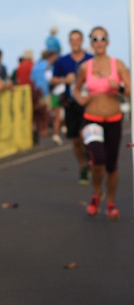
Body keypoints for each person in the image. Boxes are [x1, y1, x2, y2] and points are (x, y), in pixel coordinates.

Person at [73, 26, 130, 218]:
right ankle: (97, 193)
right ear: (91, 43)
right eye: (95, 39)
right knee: (98, 160)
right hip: (92, 118)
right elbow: (76, 88)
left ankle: (111, 201)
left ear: (108, 42)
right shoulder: (85, 67)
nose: (99, 42)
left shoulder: (118, 65)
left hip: (113, 119)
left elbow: (129, 91)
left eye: (102, 38)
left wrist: (120, 88)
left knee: (112, 165)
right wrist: (80, 99)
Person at [50, 30, 93, 183]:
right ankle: (83, 167)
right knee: (75, 140)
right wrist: (64, 79)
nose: (75, 42)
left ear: (82, 41)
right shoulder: (62, 61)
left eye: (77, 39)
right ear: (69, 42)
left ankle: (90, 157)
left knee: (85, 135)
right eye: (72, 40)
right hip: (71, 103)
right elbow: (52, 80)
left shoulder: (90, 59)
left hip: (88, 102)